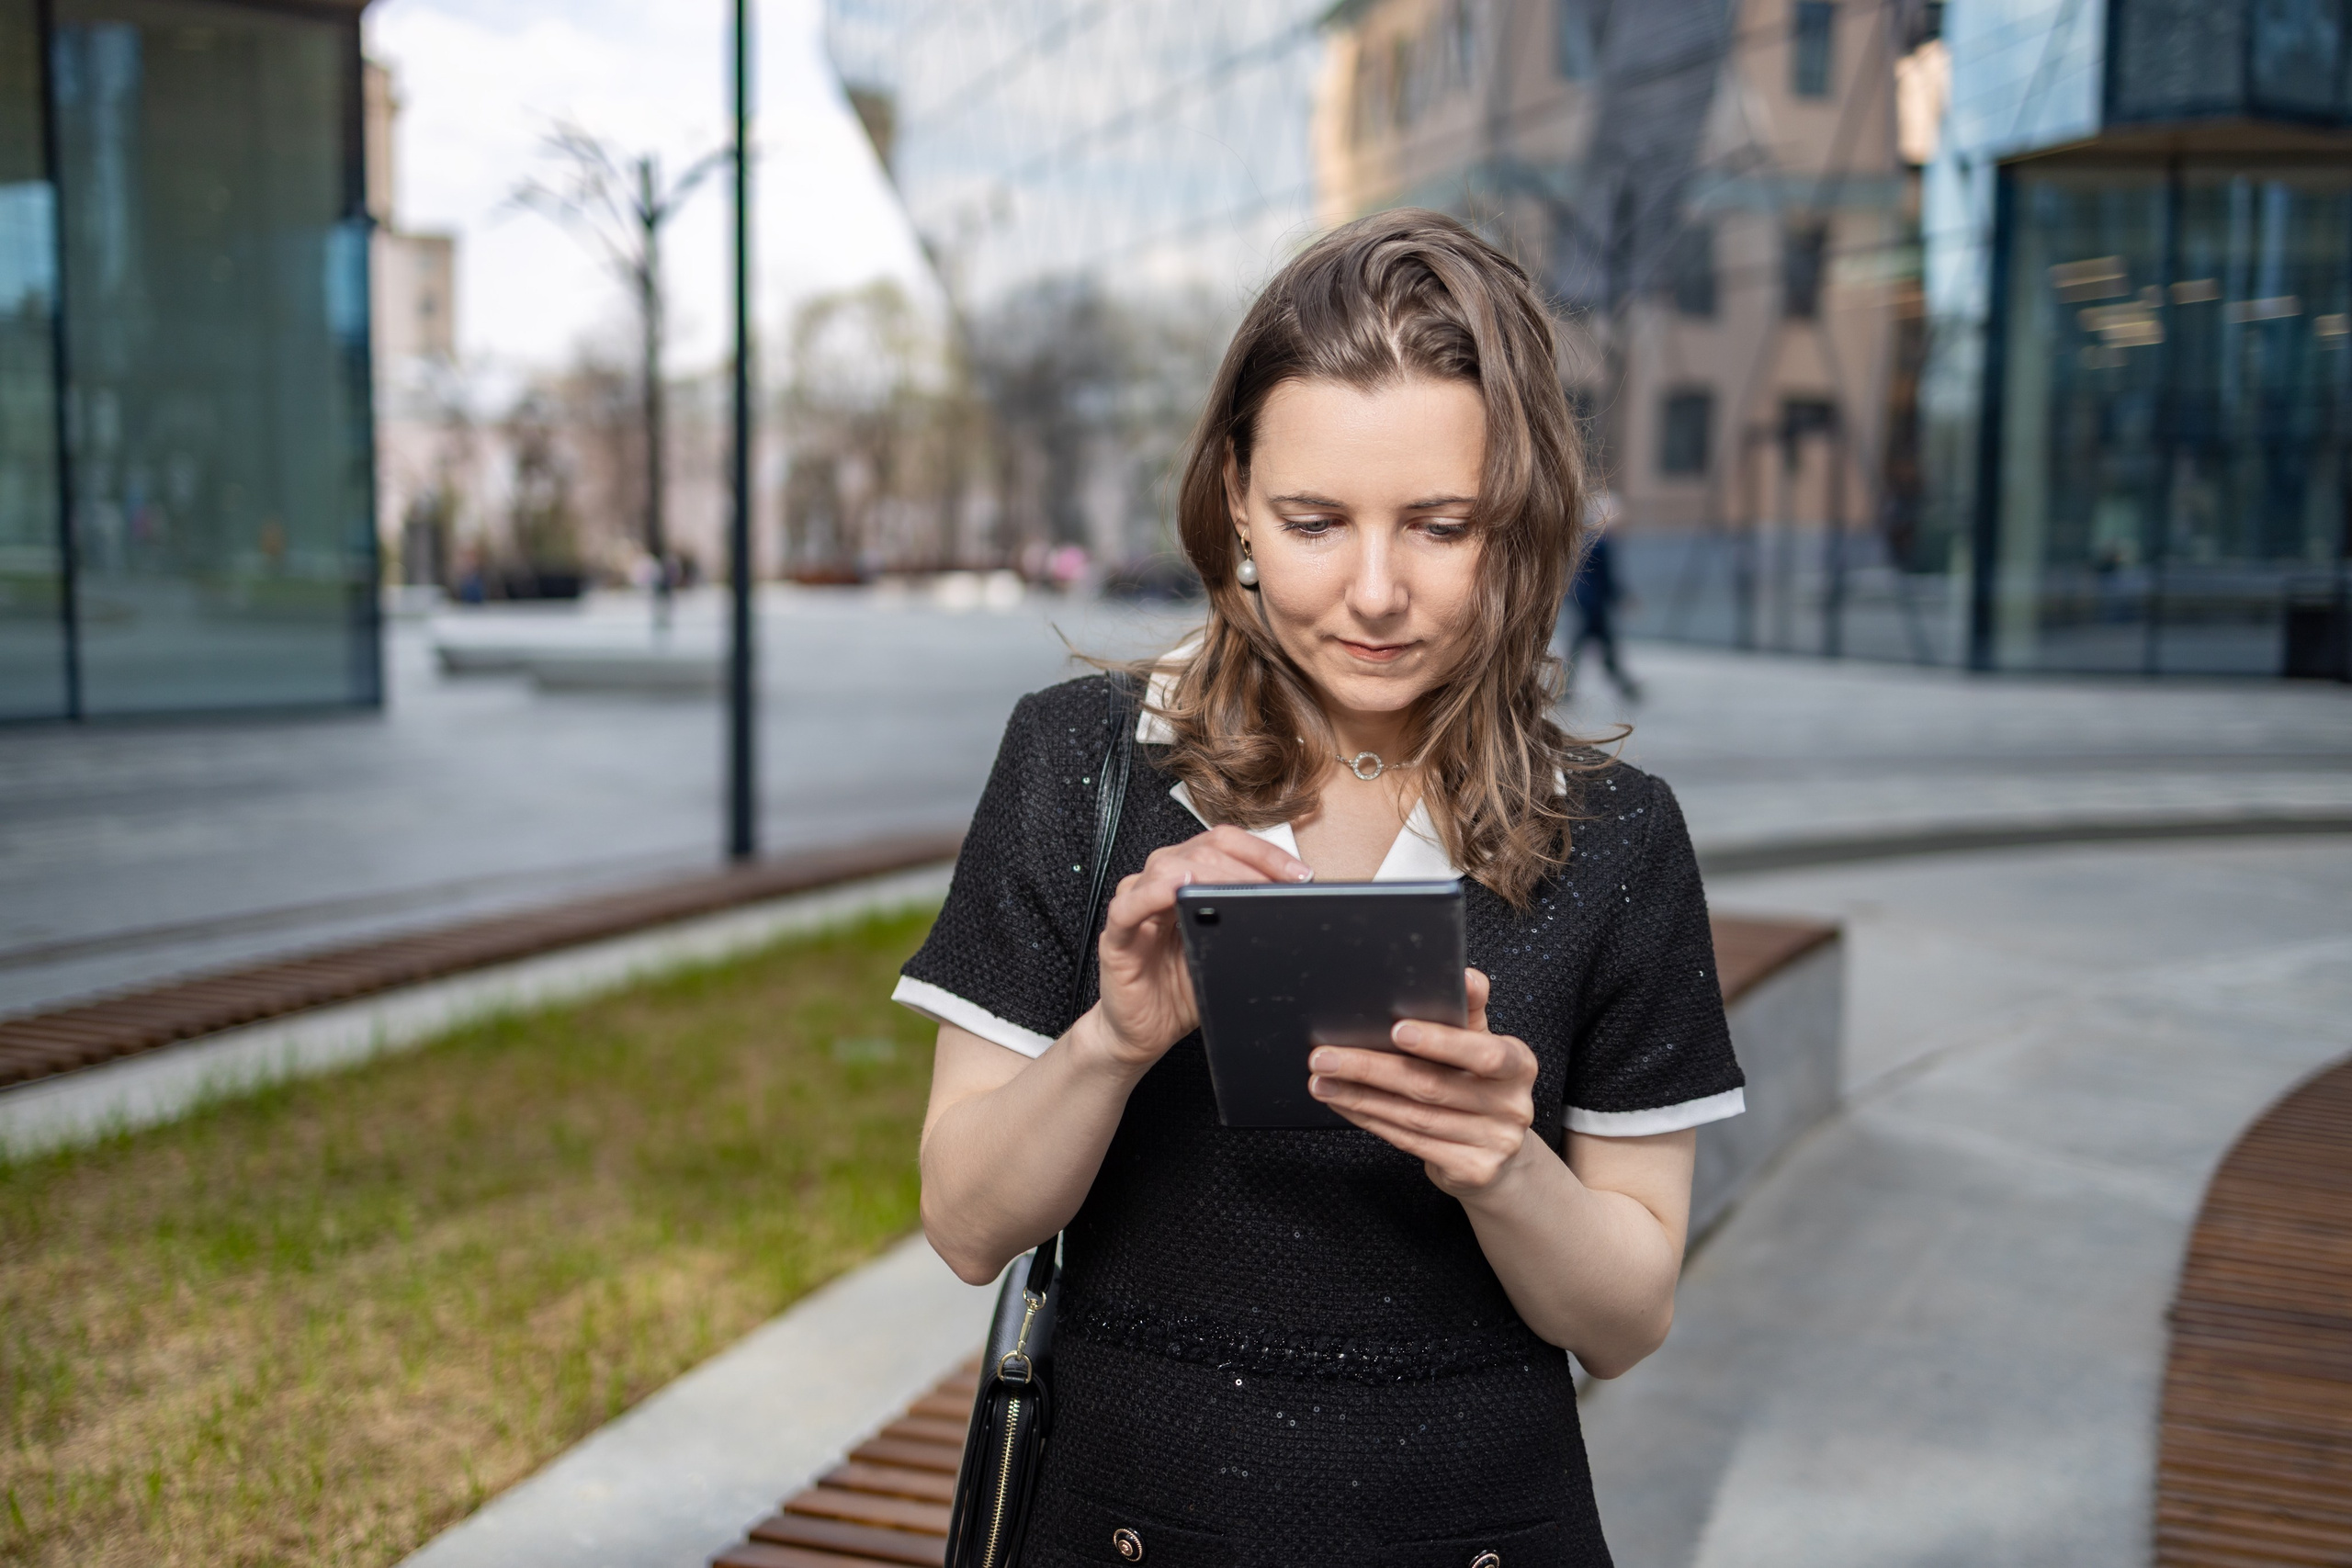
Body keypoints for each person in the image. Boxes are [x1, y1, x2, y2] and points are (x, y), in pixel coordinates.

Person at [896, 209, 1744, 1568]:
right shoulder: (1082, 764)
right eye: (1311, 520)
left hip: (1481, 1529)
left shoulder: (1619, 835)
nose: (1373, 592)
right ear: (1234, 493)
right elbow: (965, 1219)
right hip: (1122, 1518)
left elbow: (1627, 1314)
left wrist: (1501, 1165)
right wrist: (1113, 1041)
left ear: (1517, 515)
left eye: (1439, 524)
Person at [1564, 495, 1640, 702]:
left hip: (1586, 604)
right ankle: (1626, 687)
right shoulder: (1601, 543)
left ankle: (1566, 690)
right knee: (1597, 649)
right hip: (1592, 606)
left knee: (1588, 649)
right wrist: (1623, 598)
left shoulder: (1589, 540)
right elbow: (1607, 579)